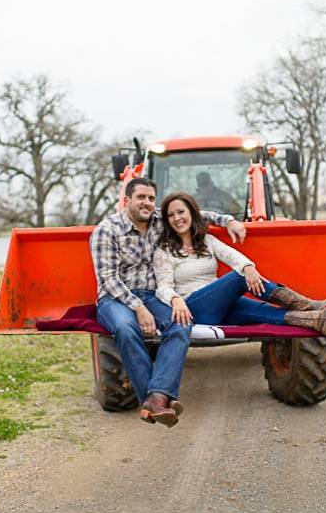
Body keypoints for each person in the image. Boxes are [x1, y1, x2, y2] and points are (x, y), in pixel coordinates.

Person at [90, 177, 245, 428]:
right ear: (127, 200)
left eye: (151, 198)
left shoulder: (159, 219)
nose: (147, 203)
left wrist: (228, 220)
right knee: (127, 329)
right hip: (115, 297)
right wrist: (139, 309)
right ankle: (155, 400)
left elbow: (195, 213)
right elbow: (108, 280)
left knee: (181, 323)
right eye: (141, 197)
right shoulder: (107, 230)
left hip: (152, 295)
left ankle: (157, 397)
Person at [153, 191, 326, 336]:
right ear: (167, 221)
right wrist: (175, 300)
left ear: (192, 213)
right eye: (171, 215)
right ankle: (312, 305)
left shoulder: (206, 240)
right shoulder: (163, 250)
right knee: (239, 277)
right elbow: (163, 287)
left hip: (221, 307)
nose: (177, 218)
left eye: (181, 212)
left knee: (262, 310)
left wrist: (248, 266)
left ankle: (320, 320)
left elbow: (230, 255)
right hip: (194, 308)